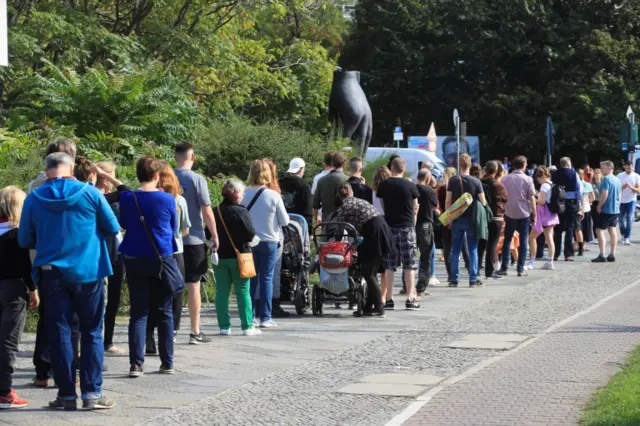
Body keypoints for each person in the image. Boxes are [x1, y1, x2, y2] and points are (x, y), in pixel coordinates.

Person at [18, 152, 119, 410]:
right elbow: (112, 227)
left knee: (60, 333)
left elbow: (24, 240)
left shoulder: (33, 199)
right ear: (72, 167)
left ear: (46, 170)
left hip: (52, 274)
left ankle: (65, 395)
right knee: (92, 332)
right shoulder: (91, 193)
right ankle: (92, 394)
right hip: (89, 271)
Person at [119, 156, 184, 378]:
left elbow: (124, 224)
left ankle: (136, 364)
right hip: (161, 259)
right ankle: (167, 362)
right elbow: (174, 228)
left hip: (135, 257)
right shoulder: (167, 200)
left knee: (138, 313)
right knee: (165, 310)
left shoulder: (128, 198)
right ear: (157, 175)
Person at [27, 139, 81, 387]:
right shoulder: (79, 189)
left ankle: (42, 369)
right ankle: (69, 371)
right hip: (72, 258)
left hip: (41, 258)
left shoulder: (34, 187)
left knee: (48, 316)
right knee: (72, 320)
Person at [173, 141, 218, 345]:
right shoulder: (198, 179)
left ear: (176, 157)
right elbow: (206, 210)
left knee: (171, 285)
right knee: (193, 285)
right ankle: (195, 331)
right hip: (194, 239)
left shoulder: (166, 177)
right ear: (193, 157)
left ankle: (171, 329)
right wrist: (215, 236)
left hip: (170, 240)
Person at [0, 186, 39, 409]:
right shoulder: (18, 234)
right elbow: (26, 267)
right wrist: (33, 290)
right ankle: (4, 391)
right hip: (14, 288)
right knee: (8, 341)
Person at [146, 163, 191, 354]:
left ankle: (149, 334)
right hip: (174, 251)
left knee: (151, 296)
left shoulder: (146, 199)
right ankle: (172, 331)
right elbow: (184, 228)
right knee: (175, 293)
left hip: (150, 253)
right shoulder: (179, 200)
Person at [333, 183, 393, 317]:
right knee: (371, 272)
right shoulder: (360, 201)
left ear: (339, 195)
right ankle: (368, 307)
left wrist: (337, 245)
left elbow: (339, 229)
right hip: (381, 229)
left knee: (368, 272)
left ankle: (378, 307)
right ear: (351, 192)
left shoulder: (344, 207)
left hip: (372, 233)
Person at [243, 160, 289, 328]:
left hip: (249, 241)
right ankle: (265, 317)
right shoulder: (273, 195)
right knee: (266, 278)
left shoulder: (243, 193)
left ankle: (251, 315)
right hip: (269, 240)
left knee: (251, 278)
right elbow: (285, 220)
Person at [213, 179, 261, 336]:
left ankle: (224, 326)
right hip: (240, 256)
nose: (243, 194)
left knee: (221, 292)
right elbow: (250, 233)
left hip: (219, 256)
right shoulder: (241, 211)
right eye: (241, 192)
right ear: (234, 193)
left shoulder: (216, 210)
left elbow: (208, 233)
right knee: (243, 291)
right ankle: (247, 326)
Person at [377, 157, 420, 310]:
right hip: (407, 227)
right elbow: (415, 207)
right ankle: (410, 297)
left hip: (389, 227)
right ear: (404, 169)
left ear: (392, 168)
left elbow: (382, 205)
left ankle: (389, 298)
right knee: (409, 264)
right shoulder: (410, 185)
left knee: (389, 265)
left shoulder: (384, 185)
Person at [445, 154, 487, 287]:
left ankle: (453, 279)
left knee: (455, 250)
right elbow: (483, 202)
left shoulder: (452, 180)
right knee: (473, 249)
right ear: (470, 165)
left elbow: (447, 201)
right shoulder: (476, 182)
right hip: (472, 220)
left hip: (457, 219)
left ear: (458, 164)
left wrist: (449, 218)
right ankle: (473, 279)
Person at [499, 155, 536, 277]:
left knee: (507, 240)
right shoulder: (528, 180)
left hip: (509, 213)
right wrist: (534, 214)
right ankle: (520, 269)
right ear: (524, 165)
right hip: (524, 213)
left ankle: (504, 267)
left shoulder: (505, 179)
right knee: (524, 241)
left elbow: (502, 197)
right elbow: (531, 198)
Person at [264, 159, 290, 318]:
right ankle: (273, 304)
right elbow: (284, 220)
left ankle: (256, 304)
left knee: (257, 273)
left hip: (253, 238)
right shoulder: (274, 192)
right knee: (272, 273)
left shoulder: (247, 191)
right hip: (273, 235)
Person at [438, 167, 469, 280]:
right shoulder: (459, 188)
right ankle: (471, 272)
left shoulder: (442, 189)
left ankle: (451, 275)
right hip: (460, 218)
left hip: (446, 220)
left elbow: (441, 204)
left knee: (448, 249)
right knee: (464, 247)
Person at [478, 161, 508, 279]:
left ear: (485, 170)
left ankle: (476, 270)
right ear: (495, 171)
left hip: (482, 217)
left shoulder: (478, 183)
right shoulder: (498, 185)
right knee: (492, 245)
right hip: (496, 217)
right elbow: (506, 198)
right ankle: (489, 272)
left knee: (481, 244)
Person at [527, 167, 558, 270]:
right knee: (549, 238)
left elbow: (542, 202)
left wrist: (534, 198)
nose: (538, 180)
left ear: (542, 176)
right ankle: (550, 261)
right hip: (551, 214)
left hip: (543, 213)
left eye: (538, 178)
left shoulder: (544, 186)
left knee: (532, 237)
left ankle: (532, 261)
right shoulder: (551, 183)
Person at [552, 157, 583, 261]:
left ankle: (556, 253)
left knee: (558, 229)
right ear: (569, 163)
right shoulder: (574, 174)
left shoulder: (555, 174)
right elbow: (579, 190)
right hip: (570, 203)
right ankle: (568, 254)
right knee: (570, 228)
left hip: (558, 202)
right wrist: (579, 205)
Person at [592, 161, 622, 263]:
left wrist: (599, 206)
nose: (601, 169)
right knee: (612, 231)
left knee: (599, 231)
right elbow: (619, 195)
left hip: (606, 209)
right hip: (615, 209)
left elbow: (605, 194)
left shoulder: (606, 179)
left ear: (609, 168)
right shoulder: (617, 179)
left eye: (603, 168)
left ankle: (602, 254)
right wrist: (618, 205)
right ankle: (612, 254)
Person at [415, 169, 438, 294]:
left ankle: (406, 284)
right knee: (426, 256)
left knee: (410, 257)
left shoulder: (411, 188)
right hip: (425, 226)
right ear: (428, 178)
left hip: (412, 225)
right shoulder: (430, 191)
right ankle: (421, 285)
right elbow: (435, 205)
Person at [313, 152, 349, 223]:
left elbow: (315, 203)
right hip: (343, 221)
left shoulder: (321, 180)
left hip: (326, 220)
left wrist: (316, 217)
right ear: (344, 163)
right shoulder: (347, 180)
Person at [279, 157, 312, 230]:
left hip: (281, 225)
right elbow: (308, 210)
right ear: (301, 169)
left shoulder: (279, 183)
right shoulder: (304, 186)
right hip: (299, 226)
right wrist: (309, 230)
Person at [616, 161, 640, 245]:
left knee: (629, 219)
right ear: (624, 167)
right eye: (626, 168)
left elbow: (638, 190)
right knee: (621, 220)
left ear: (632, 167)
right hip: (621, 200)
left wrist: (631, 187)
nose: (628, 169)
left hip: (631, 200)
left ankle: (627, 238)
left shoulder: (636, 176)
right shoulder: (619, 176)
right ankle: (623, 234)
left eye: (629, 167)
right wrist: (623, 186)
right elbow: (616, 188)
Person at [311, 152, 335, 222]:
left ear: (324, 162)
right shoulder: (340, 176)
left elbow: (314, 195)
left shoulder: (318, 177)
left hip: (322, 213)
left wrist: (316, 215)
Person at [576, 168, 595, 255]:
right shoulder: (588, 184)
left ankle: (577, 245)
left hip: (579, 209)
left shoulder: (576, 184)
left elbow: (582, 199)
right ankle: (583, 245)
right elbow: (593, 197)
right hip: (586, 208)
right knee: (586, 228)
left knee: (578, 228)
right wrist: (589, 202)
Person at [591, 168, 603, 240]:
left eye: (598, 173)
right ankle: (596, 237)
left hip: (602, 203)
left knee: (601, 221)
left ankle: (601, 236)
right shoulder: (591, 184)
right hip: (594, 203)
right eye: (595, 173)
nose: (597, 174)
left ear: (601, 174)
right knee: (595, 221)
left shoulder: (604, 182)